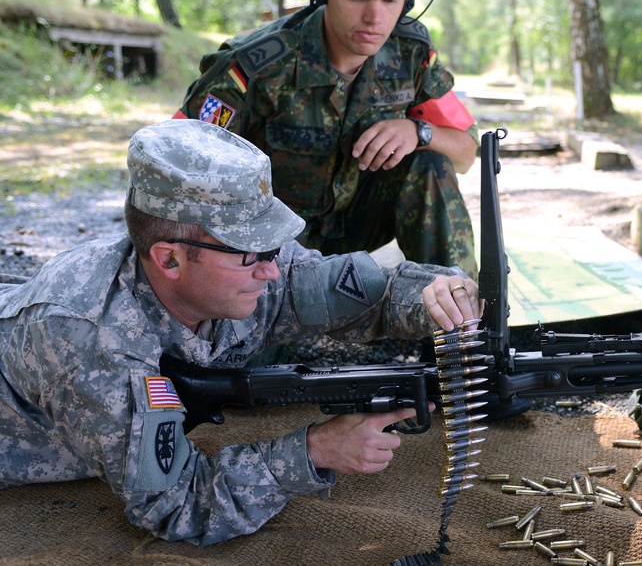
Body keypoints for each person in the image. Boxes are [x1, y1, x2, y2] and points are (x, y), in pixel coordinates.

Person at [0, 118, 481, 546]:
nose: (273, 270)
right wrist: (315, 449)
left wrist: (437, 294)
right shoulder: (89, 339)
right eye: (251, 252)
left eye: (271, 245)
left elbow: (358, 291)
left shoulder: (245, 262)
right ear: (170, 258)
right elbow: (178, 507)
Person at [174, 0, 479, 280]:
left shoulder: (412, 55)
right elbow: (174, 164)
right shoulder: (255, 65)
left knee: (432, 163)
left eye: (390, 1)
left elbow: (466, 152)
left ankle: (459, 322)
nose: (375, 19)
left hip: (359, 232)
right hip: (267, 246)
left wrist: (419, 133)